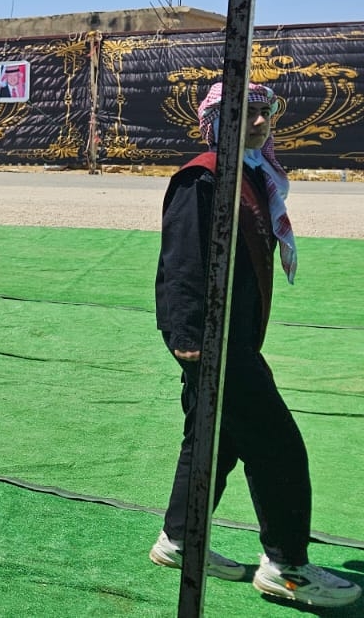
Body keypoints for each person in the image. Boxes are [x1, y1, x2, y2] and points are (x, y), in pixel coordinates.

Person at [149, 82, 360, 608]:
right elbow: (182, 262)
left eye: (265, 111)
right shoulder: (204, 177)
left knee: (214, 441)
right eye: (246, 112)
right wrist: (190, 341)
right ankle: (287, 567)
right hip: (215, 344)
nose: (259, 121)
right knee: (278, 447)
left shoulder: (249, 173)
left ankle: (179, 538)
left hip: (233, 335)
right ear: (215, 120)